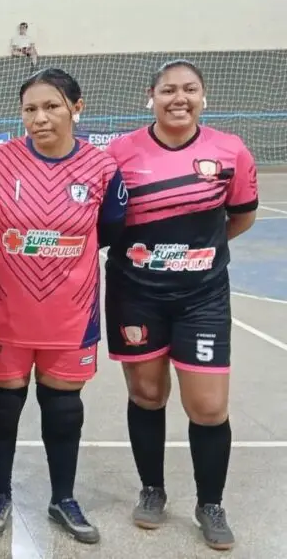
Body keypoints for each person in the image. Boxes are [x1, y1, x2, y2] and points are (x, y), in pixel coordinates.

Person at [0, 68, 127, 545]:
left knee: (63, 404)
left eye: (51, 106)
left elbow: (111, 231)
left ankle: (63, 497)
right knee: (4, 400)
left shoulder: (101, 168)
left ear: (77, 106)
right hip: (6, 305)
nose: (39, 117)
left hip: (71, 309)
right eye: (30, 108)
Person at [104, 60, 258, 551]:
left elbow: (240, 217)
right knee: (147, 394)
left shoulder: (229, 151)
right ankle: (153, 490)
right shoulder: (120, 153)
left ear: (203, 97)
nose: (179, 98)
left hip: (203, 296)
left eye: (189, 89)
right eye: (168, 89)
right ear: (150, 97)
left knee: (208, 407)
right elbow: (106, 221)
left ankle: (210, 503)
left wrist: (196, 257)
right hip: (136, 293)